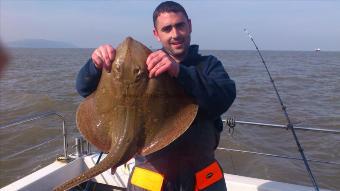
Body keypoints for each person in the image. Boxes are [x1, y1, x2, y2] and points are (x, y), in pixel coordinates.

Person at [76, 1, 236, 190]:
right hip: (151, 182)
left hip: (203, 181)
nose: (175, 34)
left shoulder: (208, 65)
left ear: (189, 25)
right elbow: (84, 89)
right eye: (167, 29)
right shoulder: (145, 65)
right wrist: (95, 65)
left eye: (180, 26)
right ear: (156, 34)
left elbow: (224, 97)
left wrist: (179, 71)